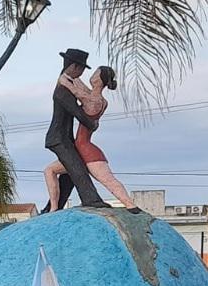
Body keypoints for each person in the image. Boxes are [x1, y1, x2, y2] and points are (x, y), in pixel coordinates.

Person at [42, 65, 141, 212]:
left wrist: (64, 79)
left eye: (96, 73)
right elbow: (79, 85)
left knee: (108, 180)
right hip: (80, 149)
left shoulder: (93, 101)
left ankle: (131, 206)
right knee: (50, 170)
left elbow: (76, 90)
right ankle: (54, 208)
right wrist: (69, 74)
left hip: (86, 150)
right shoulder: (100, 100)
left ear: (99, 80)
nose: (92, 75)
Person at [43, 48, 108, 211]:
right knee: (77, 167)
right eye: (81, 69)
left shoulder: (70, 84)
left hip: (65, 137)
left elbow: (86, 98)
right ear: (74, 67)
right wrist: (92, 124)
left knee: (69, 175)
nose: (81, 73)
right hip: (58, 138)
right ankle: (91, 199)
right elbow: (77, 112)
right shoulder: (62, 90)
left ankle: (52, 208)